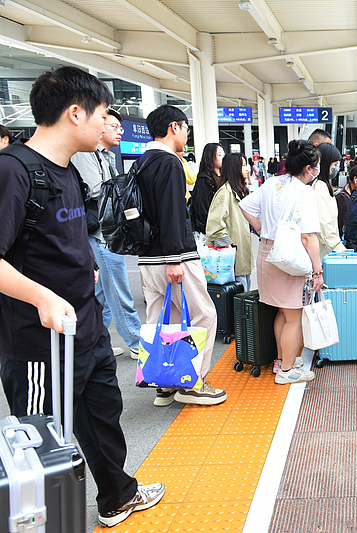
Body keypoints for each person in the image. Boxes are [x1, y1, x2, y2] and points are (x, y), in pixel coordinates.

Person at [0, 66, 164, 528]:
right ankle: (47, 522)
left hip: (86, 329)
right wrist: (42, 298)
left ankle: (117, 495)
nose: (109, 125)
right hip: (39, 342)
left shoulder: (68, 172)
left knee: (102, 419)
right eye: (104, 114)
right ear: (76, 113)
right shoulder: (13, 171)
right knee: (44, 443)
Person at [137, 105, 227, 406]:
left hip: (147, 258)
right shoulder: (169, 162)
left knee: (164, 319)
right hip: (174, 256)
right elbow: (172, 213)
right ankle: (192, 381)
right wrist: (175, 258)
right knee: (204, 313)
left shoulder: (142, 161)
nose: (187, 133)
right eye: (186, 127)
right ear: (174, 127)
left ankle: (164, 382)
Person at [239, 140, 323, 384]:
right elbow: (308, 237)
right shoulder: (304, 192)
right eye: (316, 166)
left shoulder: (272, 183)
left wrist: (261, 227)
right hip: (290, 257)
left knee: (283, 311)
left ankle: (281, 360)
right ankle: (287, 371)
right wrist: (317, 271)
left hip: (267, 253)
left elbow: (245, 205)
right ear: (309, 168)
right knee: (294, 316)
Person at [70, 108, 142, 359]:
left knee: (101, 294)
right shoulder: (86, 155)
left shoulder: (108, 156)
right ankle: (137, 342)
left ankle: (94, 341)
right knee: (118, 290)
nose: (119, 132)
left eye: (120, 128)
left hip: (107, 232)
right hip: (99, 234)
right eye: (113, 126)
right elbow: (96, 191)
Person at [206, 153, 254, 291]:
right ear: (234, 168)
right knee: (238, 299)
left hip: (242, 258)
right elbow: (214, 227)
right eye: (243, 165)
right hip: (230, 263)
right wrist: (229, 250)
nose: (247, 168)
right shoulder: (225, 193)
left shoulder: (240, 191)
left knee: (244, 293)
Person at [311, 142, 348, 258]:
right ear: (325, 164)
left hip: (326, 248)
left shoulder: (323, 185)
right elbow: (324, 223)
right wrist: (338, 247)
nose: (336, 168)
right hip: (324, 251)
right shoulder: (320, 188)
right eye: (335, 164)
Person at [190, 142, 225, 235]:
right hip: (211, 231)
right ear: (210, 157)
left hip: (222, 228)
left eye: (224, 155)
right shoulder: (204, 180)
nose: (223, 157)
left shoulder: (223, 177)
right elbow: (202, 210)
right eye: (219, 155)